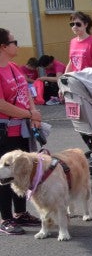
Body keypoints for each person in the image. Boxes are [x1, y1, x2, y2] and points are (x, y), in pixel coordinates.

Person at [0, 28, 43, 235]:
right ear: (3, 47)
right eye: (13, 41)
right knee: (5, 174)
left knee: (21, 171)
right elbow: (1, 104)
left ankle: (20, 213)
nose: (17, 44)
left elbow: (26, 90)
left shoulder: (14, 67)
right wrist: (29, 114)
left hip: (21, 130)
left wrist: (33, 112)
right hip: (4, 131)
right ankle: (6, 219)